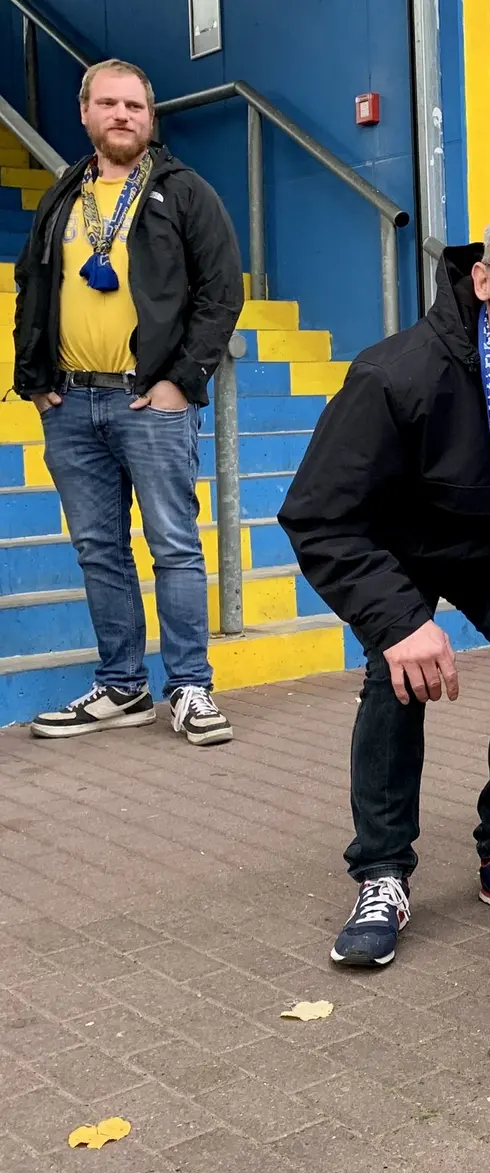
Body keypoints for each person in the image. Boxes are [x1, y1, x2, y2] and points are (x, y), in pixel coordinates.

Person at [278, 209, 490, 965]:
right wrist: (399, 623)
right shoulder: (395, 374)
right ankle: (382, 871)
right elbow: (318, 516)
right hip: (400, 550)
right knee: (397, 681)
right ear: (482, 280)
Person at [13, 58, 243, 744]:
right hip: (71, 404)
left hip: (150, 403)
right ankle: (121, 688)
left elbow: (221, 292)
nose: (122, 115)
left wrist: (181, 380)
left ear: (151, 117)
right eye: (108, 104)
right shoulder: (63, 195)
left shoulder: (183, 191)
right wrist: (35, 380)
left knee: (173, 547)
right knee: (98, 551)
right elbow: (33, 285)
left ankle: (191, 688)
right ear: (85, 114)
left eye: (135, 106)